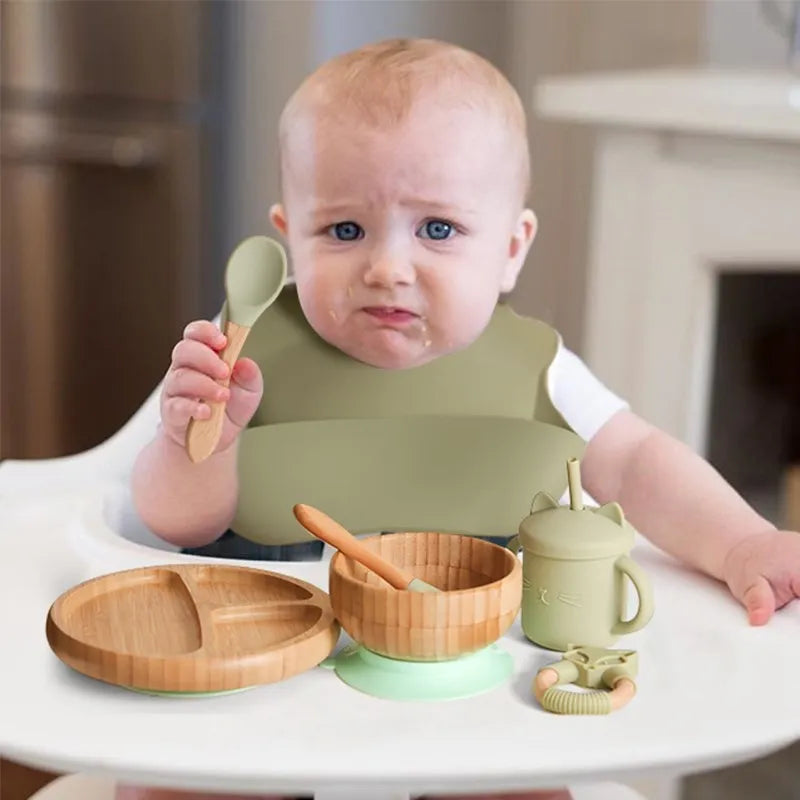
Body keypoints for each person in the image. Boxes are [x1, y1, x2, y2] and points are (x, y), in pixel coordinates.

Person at [125, 38, 800, 800]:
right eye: (343, 231)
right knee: (165, 782)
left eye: (438, 229)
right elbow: (171, 524)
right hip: (264, 663)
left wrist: (743, 542)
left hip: (468, 672)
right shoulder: (244, 357)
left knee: (523, 782)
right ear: (289, 235)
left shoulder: (538, 370)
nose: (388, 266)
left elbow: (640, 463)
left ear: (511, 250)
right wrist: (196, 443)